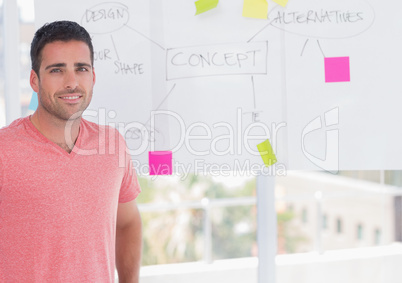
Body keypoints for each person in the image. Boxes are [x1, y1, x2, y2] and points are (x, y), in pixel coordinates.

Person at [0, 21, 142, 282]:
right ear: (34, 80)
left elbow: (127, 223)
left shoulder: (112, 145)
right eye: (57, 70)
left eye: (81, 69)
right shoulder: (4, 150)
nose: (72, 82)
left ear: (93, 77)